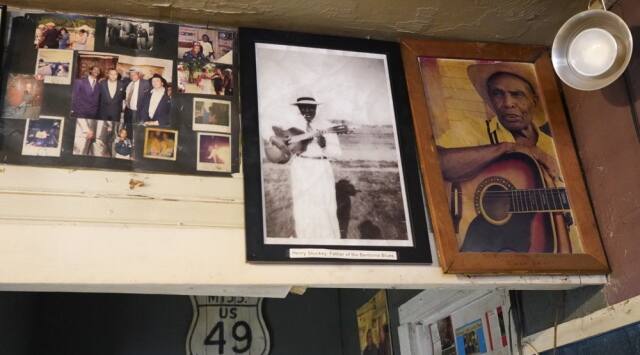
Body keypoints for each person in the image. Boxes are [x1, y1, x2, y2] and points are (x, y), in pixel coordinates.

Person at [435, 62, 572, 253]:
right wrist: (509, 148)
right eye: (498, 94)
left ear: (534, 100)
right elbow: (436, 163)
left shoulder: (557, 150)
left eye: (517, 95)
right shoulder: (471, 131)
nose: (507, 103)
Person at [265, 96, 342, 240]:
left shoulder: (327, 126)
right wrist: (273, 138)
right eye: (303, 107)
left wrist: (324, 145)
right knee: (302, 207)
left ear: (316, 108)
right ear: (299, 109)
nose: (307, 110)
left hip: (321, 167)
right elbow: (267, 128)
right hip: (300, 167)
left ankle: (329, 243)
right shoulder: (291, 125)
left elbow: (337, 154)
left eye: (311, 107)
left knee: (325, 206)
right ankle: (304, 241)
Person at [123, 67, 151, 133]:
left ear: (138, 74)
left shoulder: (145, 83)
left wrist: (143, 115)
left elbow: (148, 100)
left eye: (134, 74)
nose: (132, 76)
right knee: (128, 128)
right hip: (128, 110)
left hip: (137, 111)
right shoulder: (129, 83)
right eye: (131, 75)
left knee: (135, 130)